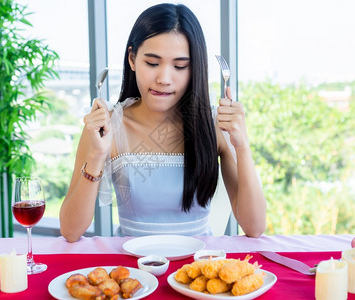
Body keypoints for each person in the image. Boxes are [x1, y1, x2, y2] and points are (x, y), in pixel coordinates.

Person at [60, 3, 266, 242]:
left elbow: (255, 227)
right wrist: (97, 155)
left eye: (179, 66)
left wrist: (242, 145)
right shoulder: (106, 126)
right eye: (152, 63)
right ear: (132, 59)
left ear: (194, 68)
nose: (164, 79)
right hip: (132, 272)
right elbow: (71, 231)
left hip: (198, 270)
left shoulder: (215, 125)